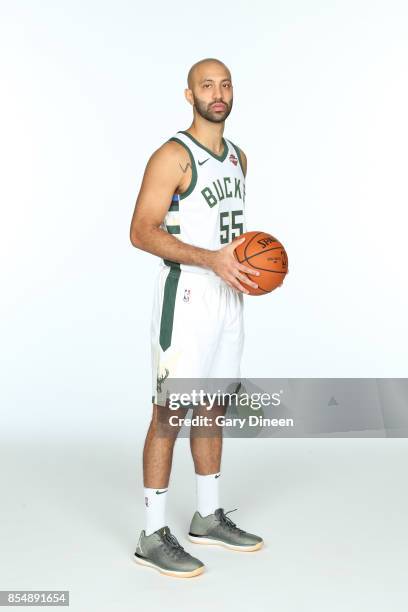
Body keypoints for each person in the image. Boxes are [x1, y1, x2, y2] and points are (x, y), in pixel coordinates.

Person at [129, 57, 263, 578]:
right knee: (170, 413)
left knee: (212, 407)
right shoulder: (173, 155)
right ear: (189, 95)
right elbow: (142, 231)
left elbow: (229, 234)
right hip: (186, 295)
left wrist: (252, 268)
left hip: (229, 295)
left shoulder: (238, 158)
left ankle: (207, 515)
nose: (218, 92)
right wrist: (212, 260)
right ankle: (150, 534)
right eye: (206, 85)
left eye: (225, 83)